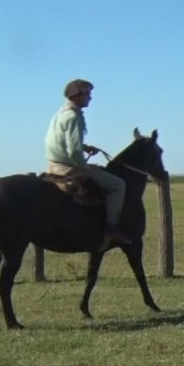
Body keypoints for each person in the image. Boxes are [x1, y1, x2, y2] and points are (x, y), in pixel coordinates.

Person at [44, 79, 131, 244]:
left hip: (54, 165)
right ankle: (111, 228)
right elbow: (73, 151)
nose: (90, 98)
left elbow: (65, 142)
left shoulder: (60, 114)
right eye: (88, 94)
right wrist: (86, 166)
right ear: (77, 95)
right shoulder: (73, 117)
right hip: (68, 168)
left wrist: (85, 147)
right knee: (118, 184)